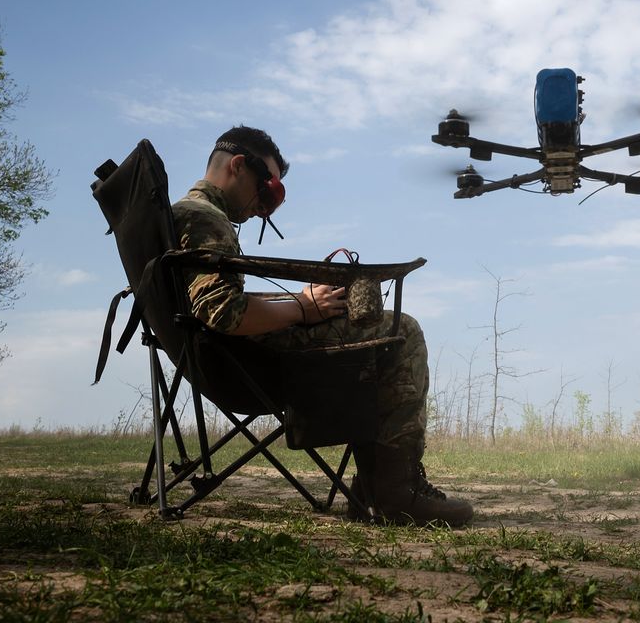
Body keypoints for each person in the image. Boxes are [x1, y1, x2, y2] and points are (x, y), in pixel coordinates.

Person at [171, 125, 473, 527]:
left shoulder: (184, 214)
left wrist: (306, 303)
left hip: (221, 362)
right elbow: (224, 313)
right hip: (251, 368)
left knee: (363, 321)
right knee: (401, 332)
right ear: (238, 166)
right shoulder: (206, 218)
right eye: (265, 189)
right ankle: (394, 491)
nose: (262, 206)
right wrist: (301, 307)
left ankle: (373, 485)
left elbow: (214, 306)